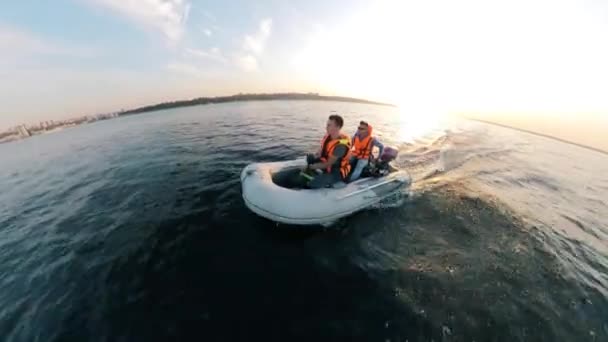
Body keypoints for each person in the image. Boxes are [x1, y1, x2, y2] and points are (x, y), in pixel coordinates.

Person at [303, 114, 352, 188]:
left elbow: (328, 164)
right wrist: (317, 155)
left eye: (329, 125)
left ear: (337, 127)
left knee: (312, 184)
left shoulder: (340, 146)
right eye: (327, 124)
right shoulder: (328, 136)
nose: (326, 127)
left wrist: (311, 167)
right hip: (326, 163)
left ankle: (331, 182)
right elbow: (321, 149)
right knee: (310, 157)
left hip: (336, 171)